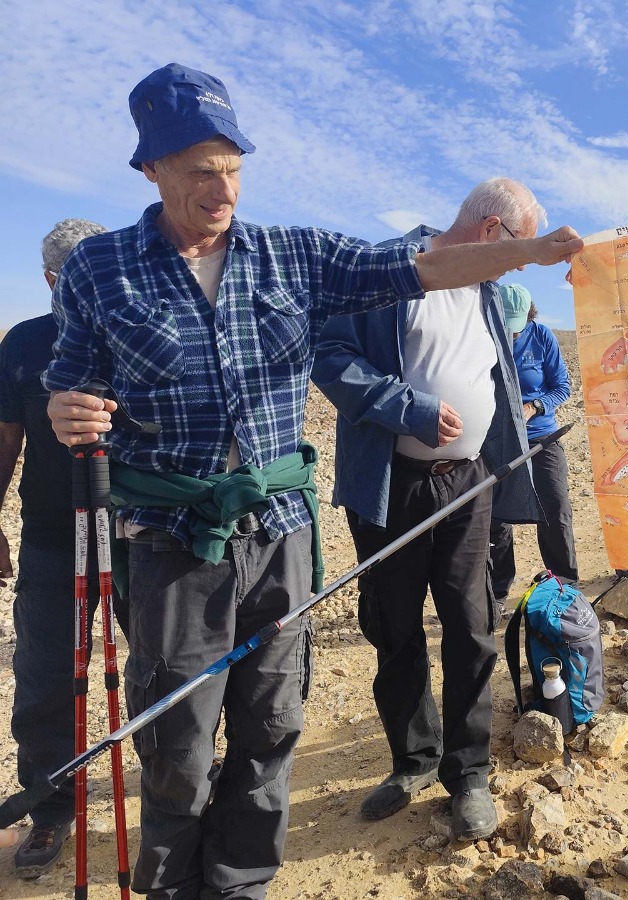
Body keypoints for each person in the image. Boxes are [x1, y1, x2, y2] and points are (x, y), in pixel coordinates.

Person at [44, 65, 581, 899]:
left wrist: (533, 253)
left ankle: (241, 882)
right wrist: (68, 409)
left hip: (280, 534)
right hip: (173, 542)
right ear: (150, 168)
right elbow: (71, 378)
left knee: (272, 724)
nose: (220, 188)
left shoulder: (294, 255)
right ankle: (177, 882)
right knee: (180, 738)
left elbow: (421, 268)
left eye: (232, 167)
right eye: (198, 169)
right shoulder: (101, 270)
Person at [312, 179, 554, 842]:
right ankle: (412, 761)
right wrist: (405, 407)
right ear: (490, 232)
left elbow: (494, 378)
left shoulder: (489, 291)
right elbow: (328, 352)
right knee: (395, 628)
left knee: (472, 624)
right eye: (521, 249)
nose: (522, 265)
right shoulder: (389, 269)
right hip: (393, 487)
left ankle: (468, 772)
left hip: (469, 486)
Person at [2, 218, 123, 879]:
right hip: (53, 537)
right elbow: (7, 439)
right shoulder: (24, 345)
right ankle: (52, 808)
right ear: (52, 280)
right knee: (47, 677)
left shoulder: (136, 330)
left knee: (166, 664)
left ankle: (186, 780)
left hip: (139, 534)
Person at [488, 283, 578, 611]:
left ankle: (565, 586)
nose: (510, 333)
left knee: (555, 508)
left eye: (516, 325)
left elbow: (561, 387)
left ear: (529, 316)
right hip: (497, 438)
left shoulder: (541, 336)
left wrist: (535, 407)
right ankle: (497, 594)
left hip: (541, 437)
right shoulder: (484, 332)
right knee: (496, 517)